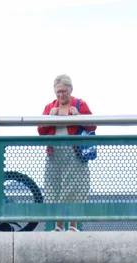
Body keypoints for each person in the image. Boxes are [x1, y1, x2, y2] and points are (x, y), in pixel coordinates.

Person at [38, 74, 95, 231]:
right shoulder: (50, 107)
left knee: (74, 189)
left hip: (74, 153)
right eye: (58, 92)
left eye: (64, 91)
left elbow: (93, 126)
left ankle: (73, 226)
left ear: (70, 89)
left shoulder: (80, 104)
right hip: (54, 153)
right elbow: (40, 131)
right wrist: (49, 118)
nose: (61, 95)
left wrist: (79, 117)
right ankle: (58, 226)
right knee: (54, 188)